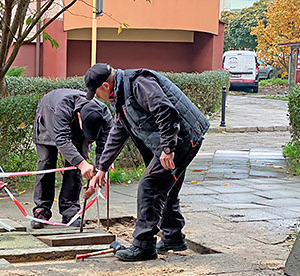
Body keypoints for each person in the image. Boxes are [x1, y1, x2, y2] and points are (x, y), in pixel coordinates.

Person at [85, 63, 209, 261]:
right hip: (178, 138)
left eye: (96, 91)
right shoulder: (122, 94)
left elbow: (165, 111)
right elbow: (119, 131)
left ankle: (143, 245)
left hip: (183, 138)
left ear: (106, 86)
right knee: (166, 186)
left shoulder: (139, 84)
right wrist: (102, 168)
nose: (97, 96)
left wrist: (168, 148)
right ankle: (173, 236)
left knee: (150, 185)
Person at [32, 88, 112, 229]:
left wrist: (101, 170)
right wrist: (82, 164)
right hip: (49, 116)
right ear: (80, 117)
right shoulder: (62, 107)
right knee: (46, 163)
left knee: (75, 168)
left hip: (74, 125)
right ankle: (41, 209)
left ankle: (70, 211)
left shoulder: (104, 114)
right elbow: (61, 140)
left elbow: (106, 145)